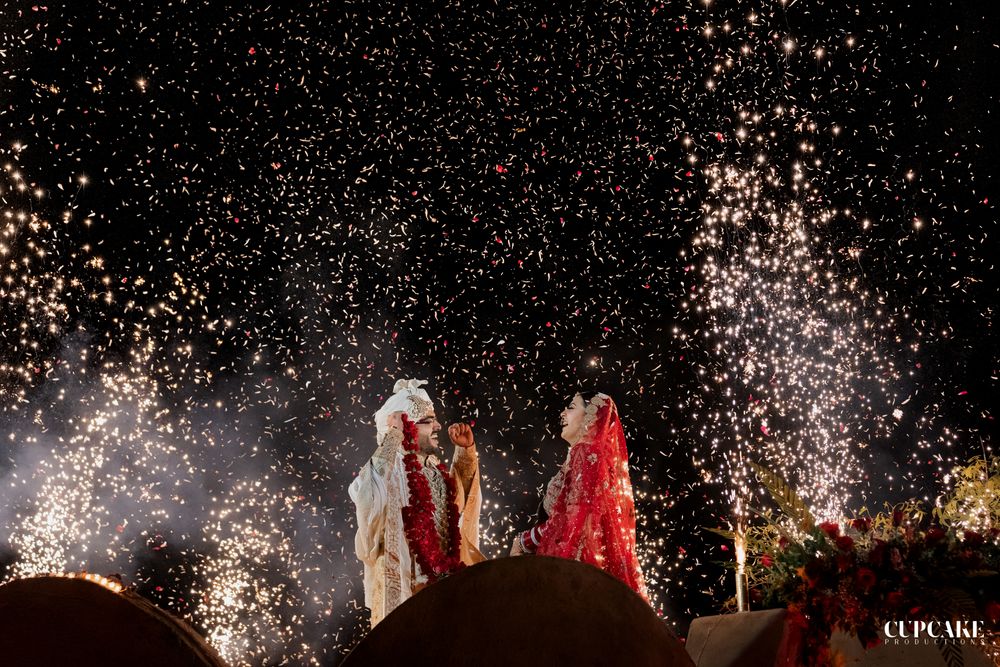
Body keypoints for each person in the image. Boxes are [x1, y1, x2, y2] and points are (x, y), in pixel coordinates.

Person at [349, 379, 483, 627]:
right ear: (404, 426)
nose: (438, 426)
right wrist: (392, 438)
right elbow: (366, 497)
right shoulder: (390, 470)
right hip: (404, 599)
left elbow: (461, 511)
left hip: (445, 595)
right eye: (428, 420)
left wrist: (466, 455)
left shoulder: (435, 470)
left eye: (435, 419)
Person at [510, 391, 647, 599]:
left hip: (574, 574)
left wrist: (525, 541)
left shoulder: (586, 454)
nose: (563, 413)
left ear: (590, 417)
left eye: (572, 407)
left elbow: (573, 522)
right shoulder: (586, 457)